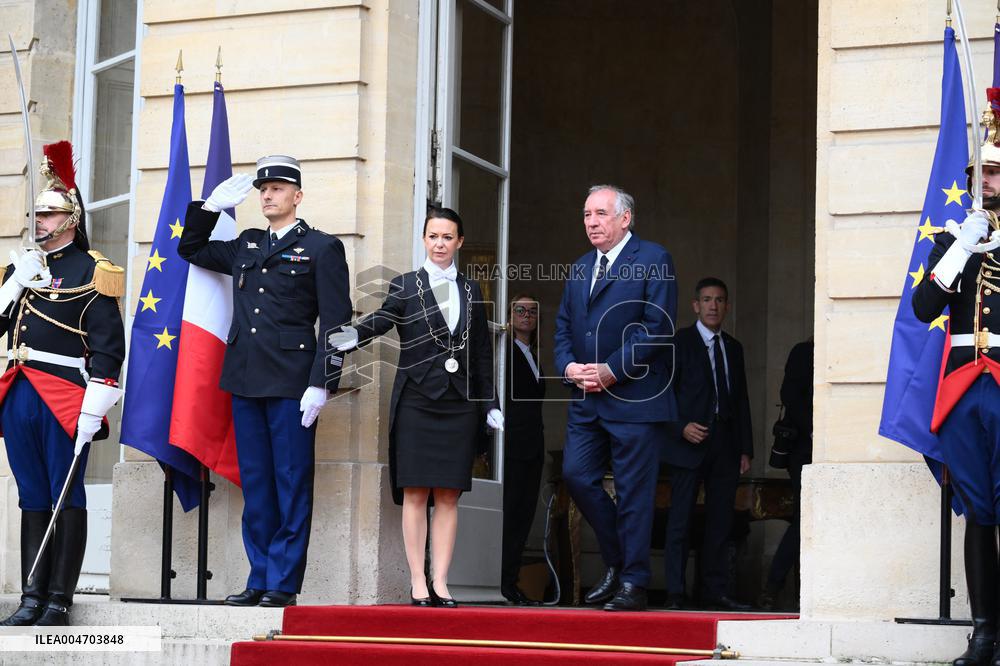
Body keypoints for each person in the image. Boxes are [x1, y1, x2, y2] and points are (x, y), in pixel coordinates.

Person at [177, 156, 352, 608]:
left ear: (297, 195)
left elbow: (336, 321)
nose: (268, 195)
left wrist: (323, 381)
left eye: (277, 188)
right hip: (245, 378)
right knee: (256, 483)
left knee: (291, 481)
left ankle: (284, 582)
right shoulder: (246, 245)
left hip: (294, 383)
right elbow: (190, 250)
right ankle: (258, 576)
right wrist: (210, 206)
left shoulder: (321, 247)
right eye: (263, 189)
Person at [331, 207, 503, 608]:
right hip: (417, 401)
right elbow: (382, 320)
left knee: (448, 495)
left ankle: (440, 582)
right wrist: (352, 335)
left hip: (459, 405)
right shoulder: (406, 285)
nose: (440, 244)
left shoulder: (472, 290)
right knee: (415, 493)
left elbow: (480, 353)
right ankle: (417, 582)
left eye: (447, 237)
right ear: (424, 240)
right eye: (433, 237)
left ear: (459, 242)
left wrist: (490, 402)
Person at [0, 142, 125, 626]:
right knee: (31, 494)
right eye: (37, 214)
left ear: (71, 218)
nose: (40, 222)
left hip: (65, 394)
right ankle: (31, 596)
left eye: (49, 215)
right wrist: (14, 284)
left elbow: (108, 345)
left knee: (65, 496)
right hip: (18, 390)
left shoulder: (93, 270)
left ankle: (58, 599)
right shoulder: (20, 268)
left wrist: (98, 401)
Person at [553, 185, 676, 612]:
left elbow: (656, 328)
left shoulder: (654, 259)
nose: (591, 222)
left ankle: (634, 582)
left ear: (625, 219)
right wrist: (568, 366)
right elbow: (564, 328)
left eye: (601, 213)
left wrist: (611, 370)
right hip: (586, 398)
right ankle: (620, 561)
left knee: (634, 492)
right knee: (576, 475)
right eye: (586, 214)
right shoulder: (581, 266)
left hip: (634, 399)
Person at [912, 91, 1000, 666]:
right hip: (964, 385)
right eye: (982, 172)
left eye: (995, 172)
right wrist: (961, 248)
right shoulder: (954, 238)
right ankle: (984, 631)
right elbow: (923, 308)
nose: (987, 181)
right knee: (980, 509)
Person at [662, 277, 753, 611]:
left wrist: (745, 448)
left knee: (720, 521)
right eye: (707, 299)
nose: (713, 305)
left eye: (719, 300)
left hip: (726, 445)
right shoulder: (679, 343)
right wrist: (680, 427)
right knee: (680, 520)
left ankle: (715, 591)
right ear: (695, 305)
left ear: (726, 306)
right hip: (688, 443)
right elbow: (663, 395)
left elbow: (740, 399)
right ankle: (675, 591)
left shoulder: (734, 347)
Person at [758, 338, 813, 611]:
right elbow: (790, 396)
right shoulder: (803, 351)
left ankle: (794, 591)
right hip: (803, 450)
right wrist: (815, 429)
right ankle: (773, 586)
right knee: (805, 520)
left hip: (824, 448)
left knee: (807, 522)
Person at [501, 294, 546, 605]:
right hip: (511, 444)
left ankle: (511, 581)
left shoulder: (532, 354)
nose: (526, 316)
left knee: (523, 517)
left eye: (532, 311)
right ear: (509, 315)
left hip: (533, 445)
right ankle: (503, 582)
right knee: (510, 515)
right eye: (520, 310)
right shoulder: (504, 352)